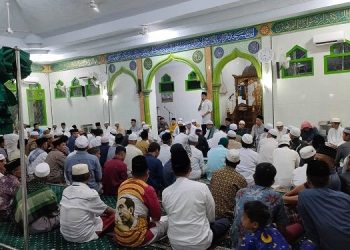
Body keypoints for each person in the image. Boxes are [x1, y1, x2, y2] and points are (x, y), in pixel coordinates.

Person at [162, 145, 230, 250]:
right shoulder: (202, 187)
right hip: (201, 242)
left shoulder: (166, 192)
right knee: (225, 222)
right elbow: (211, 217)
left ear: (173, 170)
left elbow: (170, 214)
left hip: (175, 243)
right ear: (190, 169)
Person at [114, 155, 168, 247]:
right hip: (137, 238)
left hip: (118, 236)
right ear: (147, 173)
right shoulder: (147, 189)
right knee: (167, 221)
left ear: (132, 172)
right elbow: (157, 217)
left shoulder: (123, 184)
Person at [231, 163, 288, 247]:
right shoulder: (275, 196)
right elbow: (281, 225)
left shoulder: (241, 192)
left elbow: (236, 215)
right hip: (258, 242)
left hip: (236, 240)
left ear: (254, 177)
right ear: (273, 181)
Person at [298, 160, 350, 250]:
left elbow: (310, 230)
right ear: (328, 179)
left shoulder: (304, 196)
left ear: (307, 179)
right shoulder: (345, 197)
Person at [60, 164, 115, 243]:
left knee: (96, 213)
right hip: (82, 236)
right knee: (114, 215)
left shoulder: (66, 190)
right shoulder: (91, 193)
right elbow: (107, 210)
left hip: (65, 234)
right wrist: (117, 212)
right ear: (89, 176)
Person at [14, 163, 60, 233]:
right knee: (61, 216)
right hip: (29, 226)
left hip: (18, 222)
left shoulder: (22, 185)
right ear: (47, 176)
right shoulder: (48, 192)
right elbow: (53, 213)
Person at [210, 149, 247, 220]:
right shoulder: (241, 179)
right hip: (227, 217)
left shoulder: (215, 173)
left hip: (212, 212)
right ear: (238, 162)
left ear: (225, 160)